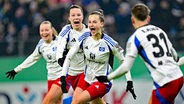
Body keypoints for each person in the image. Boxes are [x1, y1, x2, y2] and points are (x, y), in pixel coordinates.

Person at [96, 3, 184, 104]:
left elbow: (125, 68)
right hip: (178, 77)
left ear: (132, 20)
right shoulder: (159, 31)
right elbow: (175, 55)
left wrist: (107, 77)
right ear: (149, 18)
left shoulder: (135, 38)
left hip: (165, 82)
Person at [60, 9, 136, 104]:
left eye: (94, 22)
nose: (91, 25)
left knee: (78, 101)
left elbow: (124, 62)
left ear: (102, 24)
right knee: (83, 102)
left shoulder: (111, 43)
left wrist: (129, 81)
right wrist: (63, 76)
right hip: (86, 78)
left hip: (102, 82)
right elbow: (69, 56)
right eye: (90, 22)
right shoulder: (84, 37)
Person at [5, 21, 64, 104]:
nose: (44, 33)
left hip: (63, 76)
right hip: (51, 77)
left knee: (46, 102)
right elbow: (32, 58)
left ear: (51, 30)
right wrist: (16, 70)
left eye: (46, 30)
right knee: (57, 102)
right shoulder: (41, 44)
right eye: (42, 31)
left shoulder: (61, 41)